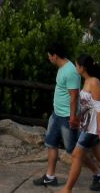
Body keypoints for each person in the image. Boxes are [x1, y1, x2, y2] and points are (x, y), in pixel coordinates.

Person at [59, 55, 100, 193]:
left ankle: (67, 189)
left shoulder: (94, 83)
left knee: (76, 155)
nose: (75, 67)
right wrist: (78, 118)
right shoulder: (87, 81)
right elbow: (86, 105)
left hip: (93, 127)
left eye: (77, 65)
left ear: (83, 68)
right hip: (88, 125)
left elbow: (99, 107)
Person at [36, 44, 82, 187]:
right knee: (51, 144)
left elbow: (74, 96)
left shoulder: (70, 72)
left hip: (67, 117)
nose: (48, 58)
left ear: (54, 55)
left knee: (74, 150)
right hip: (56, 115)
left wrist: (73, 117)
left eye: (49, 55)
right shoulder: (62, 69)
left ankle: (97, 171)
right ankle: (50, 176)